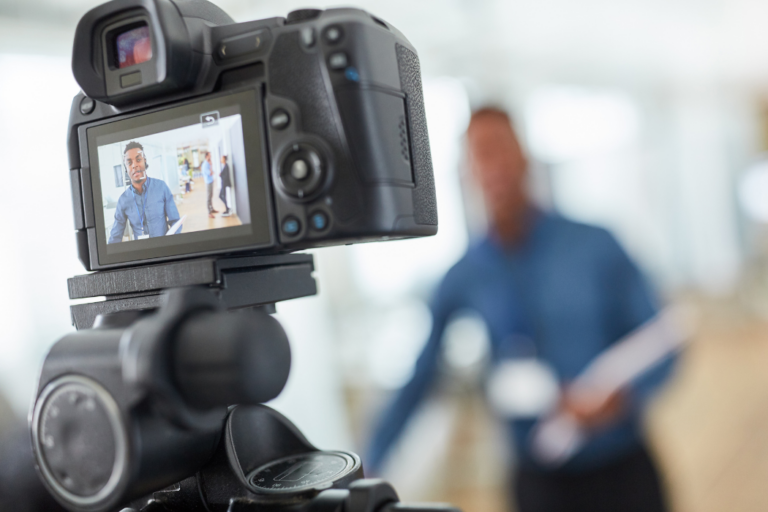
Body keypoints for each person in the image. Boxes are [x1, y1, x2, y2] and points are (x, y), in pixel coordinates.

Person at [366, 108, 675, 512]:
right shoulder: (465, 275)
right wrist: (368, 463)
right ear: (467, 172)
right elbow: (420, 376)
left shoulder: (597, 245)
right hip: (537, 484)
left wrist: (622, 397)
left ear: (525, 157)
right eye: (479, 155)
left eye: (500, 150)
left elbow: (662, 340)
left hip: (618, 471)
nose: (493, 165)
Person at [108, 141, 181, 243]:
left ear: (145, 161)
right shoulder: (123, 200)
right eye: (129, 163)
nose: (134, 165)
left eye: (138, 159)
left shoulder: (161, 187)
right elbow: (115, 237)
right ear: (126, 168)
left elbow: (176, 222)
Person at [202, 151, 217, 219]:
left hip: (210, 181)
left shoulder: (208, 163)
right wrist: (211, 165)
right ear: (206, 156)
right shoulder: (205, 164)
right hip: (208, 182)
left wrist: (211, 166)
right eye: (209, 155)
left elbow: (212, 172)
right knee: (208, 197)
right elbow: (210, 173)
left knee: (211, 196)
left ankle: (211, 209)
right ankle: (209, 213)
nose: (210, 156)